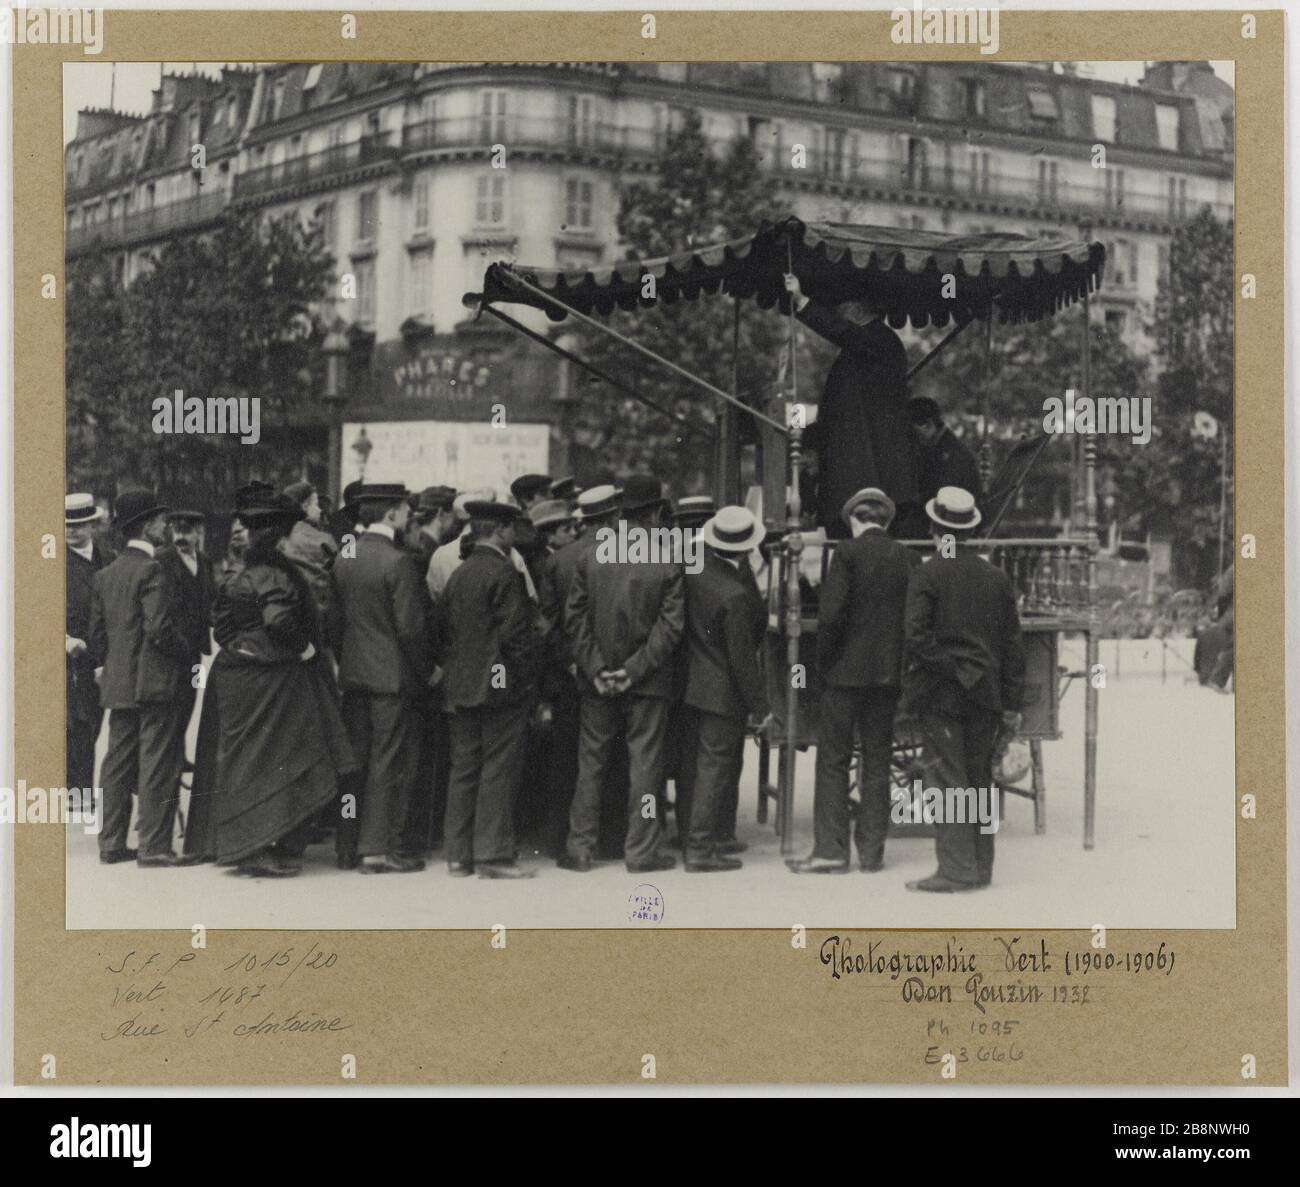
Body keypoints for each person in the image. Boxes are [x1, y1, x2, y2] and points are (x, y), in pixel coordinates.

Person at [210, 492, 359, 877]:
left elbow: (223, 630)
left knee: (251, 761)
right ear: (279, 539)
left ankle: (256, 844)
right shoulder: (275, 574)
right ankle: (260, 848)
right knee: (281, 758)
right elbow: (278, 621)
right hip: (276, 678)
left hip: (242, 676)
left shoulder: (238, 573)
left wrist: (246, 648)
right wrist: (306, 649)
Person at [788, 488, 918, 874]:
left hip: (844, 676)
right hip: (887, 676)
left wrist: (825, 665)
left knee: (833, 761)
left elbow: (830, 618)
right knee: (878, 761)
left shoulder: (845, 554)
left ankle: (830, 850)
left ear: (855, 521)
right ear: (886, 521)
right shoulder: (909, 558)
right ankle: (872, 853)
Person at [902, 486, 1025, 892]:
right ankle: (980, 867)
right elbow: (1012, 646)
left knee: (947, 779)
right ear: (969, 531)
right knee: (979, 781)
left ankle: (956, 869)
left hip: (944, 693)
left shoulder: (928, 573)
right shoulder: (996, 578)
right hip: (986, 694)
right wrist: (1011, 702)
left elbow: (915, 637)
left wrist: (952, 668)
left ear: (936, 529)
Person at [559, 476, 684, 875]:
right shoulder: (666, 558)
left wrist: (597, 668)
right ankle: (641, 851)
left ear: (620, 511)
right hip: (646, 683)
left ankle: (579, 848)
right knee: (645, 767)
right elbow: (671, 627)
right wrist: (632, 671)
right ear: (653, 512)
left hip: (596, 680)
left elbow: (574, 619)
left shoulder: (590, 556)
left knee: (590, 764)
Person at [87, 489, 199, 867]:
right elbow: (160, 629)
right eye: (162, 520)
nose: (167, 526)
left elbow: (97, 635)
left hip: (119, 683)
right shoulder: (153, 570)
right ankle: (154, 847)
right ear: (147, 525)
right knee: (157, 762)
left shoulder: (105, 575)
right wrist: (188, 653)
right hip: (154, 682)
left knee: (116, 764)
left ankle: (111, 843)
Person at [330, 482, 435, 873]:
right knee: (387, 762)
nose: (409, 517)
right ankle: (377, 849)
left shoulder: (346, 556)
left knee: (355, 762)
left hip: (354, 673)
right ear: (391, 514)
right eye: (406, 511)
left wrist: (347, 659)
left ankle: (347, 845)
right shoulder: (398, 561)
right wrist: (428, 670)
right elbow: (411, 629)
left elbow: (334, 623)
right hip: (391, 678)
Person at [437, 500, 540, 878]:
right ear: (499, 530)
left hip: (459, 685)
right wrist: (525, 681)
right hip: (499, 685)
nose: (515, 535)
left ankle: (458, 856)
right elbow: (517, 638)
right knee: (498, 768)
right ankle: (493, 856)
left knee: (464, 770)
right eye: (512, 528)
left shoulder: (459, 574)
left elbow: (443, 631)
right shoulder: (504, 573)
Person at [782, 272, 919, 538]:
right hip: (863, 473)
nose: (838, 313)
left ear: (856, 309)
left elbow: (840, 331)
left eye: (841, 308)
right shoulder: (862, 347)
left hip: (873, 475)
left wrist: (801, 300)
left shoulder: (879, 340)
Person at [677, 506, 771, 872]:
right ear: (746, 549)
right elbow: (743, 659)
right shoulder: (734, 594)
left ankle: (694, 838)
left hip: (692, 683)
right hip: (721, 691)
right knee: (715, 768)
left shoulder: (697, 569)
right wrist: (760, 706)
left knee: (695, 767)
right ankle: (700, 849)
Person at [156, 508, 216, 768]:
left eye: (187, 531)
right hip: (171, 648)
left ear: (199, 532)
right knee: (171, 701)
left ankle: (178, 754)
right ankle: (169, 756)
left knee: (190, 698)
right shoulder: (162, 560)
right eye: (177, 531)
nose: (181, 536)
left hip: (196, 648)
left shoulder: (205, 563)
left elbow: (211, 600)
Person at [65, 493, 114, 798]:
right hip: (71, 657)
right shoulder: (51, 562)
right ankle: (76, 792)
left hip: (106, 654)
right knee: (78, 723)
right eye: (68, 525)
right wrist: (65, 640)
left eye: (80, 525)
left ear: (92, 525)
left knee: (95, 721)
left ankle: (79, 788)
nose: (72, 531)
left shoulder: (110, 558)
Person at [907, 395, 984, 509]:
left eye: (913, 432)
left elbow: (940, 496)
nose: (912, 438)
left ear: (928, 424)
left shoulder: (954, 453)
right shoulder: (938, 446)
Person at [279, 480, 339, 619]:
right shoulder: (324, 540)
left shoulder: (281, 541)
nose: (320, 510)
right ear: (305, 506)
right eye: (317, 505)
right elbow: (346, 568)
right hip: (321, 618)